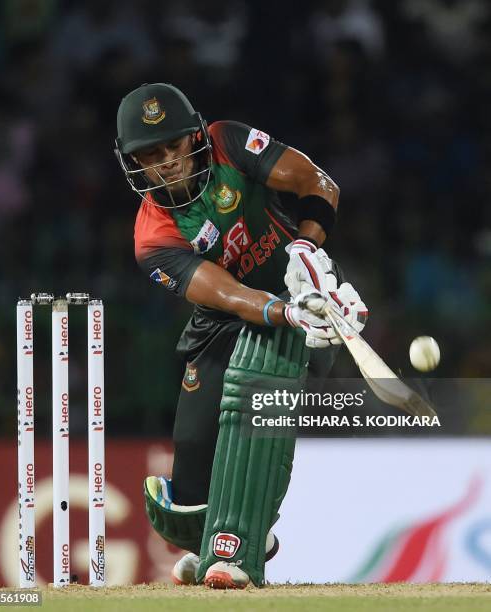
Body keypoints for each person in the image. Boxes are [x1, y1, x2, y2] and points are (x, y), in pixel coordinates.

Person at [115, 82, 368, 588]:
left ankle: (240, 542)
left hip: (304, 291)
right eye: (149, 154)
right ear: (133, 163)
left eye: (173, 145)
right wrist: (284, 311)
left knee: (258, 405)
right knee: (186, 492)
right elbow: (227, 294)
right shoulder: (153, 237)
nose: (165, 162)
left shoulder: (228, 142)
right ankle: (226, 539)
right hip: (232, 319)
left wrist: (306, 250)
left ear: (193, 137)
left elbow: (318, 184)